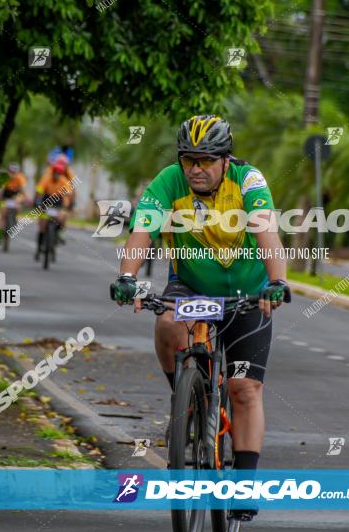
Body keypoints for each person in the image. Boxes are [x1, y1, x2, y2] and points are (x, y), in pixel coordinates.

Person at [110, 115, 290, 523]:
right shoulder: (169, 182)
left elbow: (268, 233)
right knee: (167, 322)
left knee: (244, 387)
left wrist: (277, 282)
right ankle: (186, 396)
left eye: (206, 160)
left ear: (225, 160)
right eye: (189, 159)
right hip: (191, 286)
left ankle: (245, 483)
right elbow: (142, 232)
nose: (196, 168)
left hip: (248, 293)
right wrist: (126, 277)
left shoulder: (248, 181)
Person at [34, 157, 73, 258]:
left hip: (58, 202)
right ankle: (39, 249)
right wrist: (38, 202)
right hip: (46, 201)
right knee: (42, 225)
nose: (57, 175)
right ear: (53, 171)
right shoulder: (46, 178)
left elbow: (67, 196)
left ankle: (57, 234)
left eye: (59, 173)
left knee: (62, 218)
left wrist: (66, 207)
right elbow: (39, 191)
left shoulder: (64, 181)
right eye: (55, 172)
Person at [0, 162, 27, 231]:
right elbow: (1, 189)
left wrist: (25, 198)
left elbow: (23, 189)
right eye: (11, 172)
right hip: (6, 196)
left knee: (18, 206)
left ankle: (15, 217)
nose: (12, 174)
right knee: (3, 212)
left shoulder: (20, 177)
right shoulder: (5, 177)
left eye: (14, 172)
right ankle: (0, 230)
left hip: (16, 195)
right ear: (8, 171)